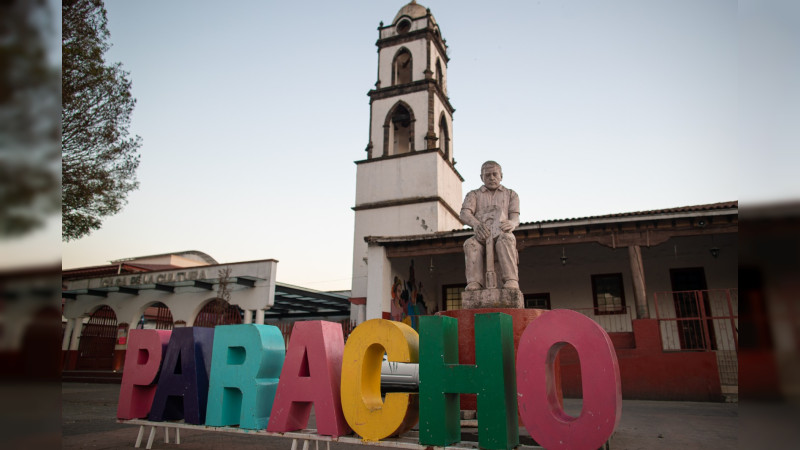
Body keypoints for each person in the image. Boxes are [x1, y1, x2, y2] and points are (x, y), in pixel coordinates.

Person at [460, 161, 520, 290]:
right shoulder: (473, 194)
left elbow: (515, 217)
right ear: (481, 177)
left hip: (502, 233)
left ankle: (511, 279)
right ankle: (474, 282)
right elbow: (464, 214)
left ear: (501, 176)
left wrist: (512, 223)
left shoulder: (511, 194)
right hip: (482, 235)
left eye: (494, 174)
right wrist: (476, 225)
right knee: (470, 243)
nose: (491, 178)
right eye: (487, 175)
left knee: (506, 239)